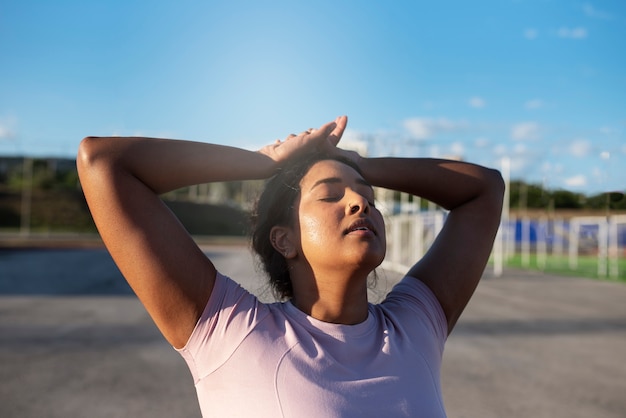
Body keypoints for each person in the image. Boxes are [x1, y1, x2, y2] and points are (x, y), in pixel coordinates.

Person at [77, 115, 504, 417]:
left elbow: (486, 189)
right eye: (330, 194)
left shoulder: (414, 327)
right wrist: (264, 162)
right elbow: (105, 164)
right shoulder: (231, 334)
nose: (360, 203)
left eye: (367, 196)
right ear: (285, 239)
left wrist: (361, 165)